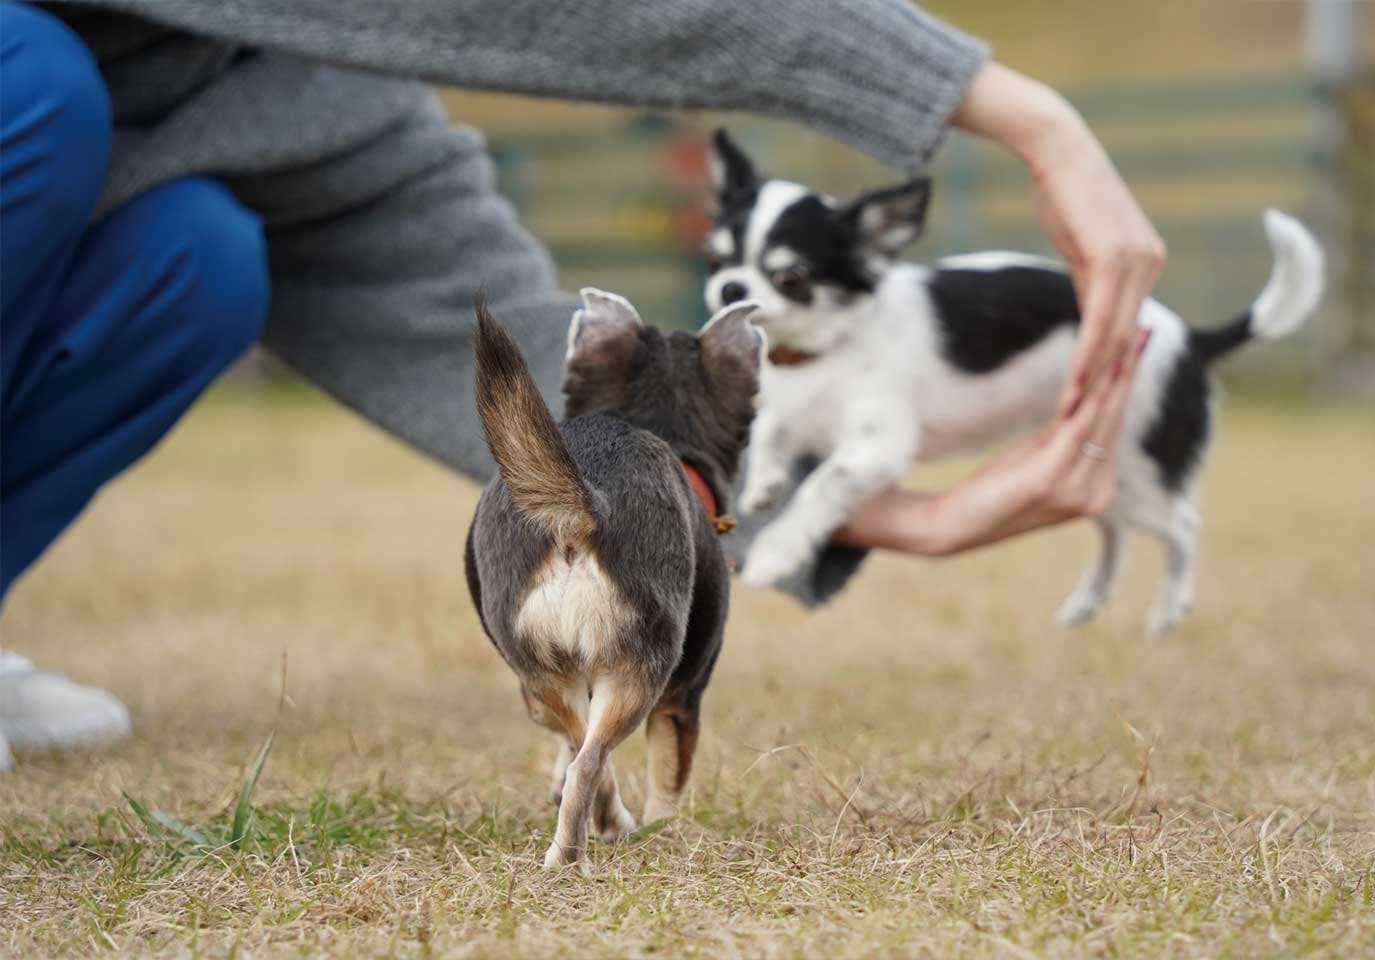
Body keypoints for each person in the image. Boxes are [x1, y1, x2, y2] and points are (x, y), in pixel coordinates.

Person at [0, 0, 1164, 770]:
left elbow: (520, 344)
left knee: (199, 262)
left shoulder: (297, 84)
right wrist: (1030, 119)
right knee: (37, 89)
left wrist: (882, 512)